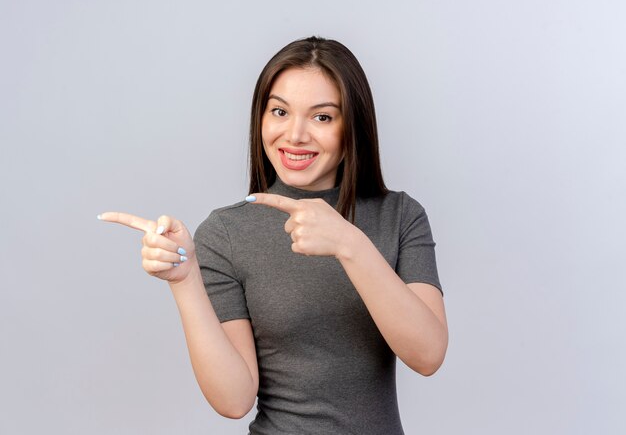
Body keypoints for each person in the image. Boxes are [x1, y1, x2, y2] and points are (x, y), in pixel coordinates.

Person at [99, 36, 448, 435]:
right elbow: (233, 400)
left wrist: (349, 244)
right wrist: (184, 280)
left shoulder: (400, 216)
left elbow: (427, 355)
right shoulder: (226, 233)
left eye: (322, 117)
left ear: (354, 126)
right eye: (280, 111)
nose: (295, 135)